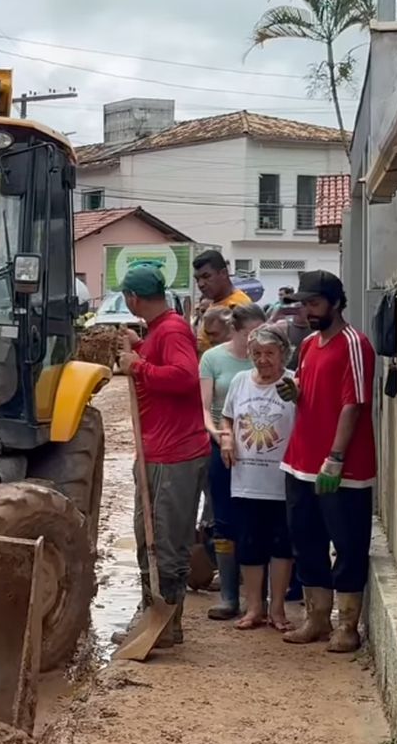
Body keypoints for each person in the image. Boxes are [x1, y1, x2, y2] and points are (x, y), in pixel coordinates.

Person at [277, 270, 376, 653]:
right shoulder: (308, 345)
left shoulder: (355, 344)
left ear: (335, 303)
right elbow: (305, 385)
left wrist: (335, 458)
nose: (307, 311)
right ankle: (316, 618)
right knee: (306, 540)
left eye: (314, 304)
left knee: (348, 543)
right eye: (304, 304)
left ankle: (347, 624)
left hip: (343, 468)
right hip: (300, 459)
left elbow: (353, 403)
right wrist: (295, 390)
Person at [116, 264, 212, 647]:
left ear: (132, 298)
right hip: (157, 451)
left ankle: (168, 624)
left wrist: (137, 365)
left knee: (166, 543)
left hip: (175, 455)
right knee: (147, 539)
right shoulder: (159, 330)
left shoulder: (172, 330)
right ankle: (154, 616)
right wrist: (138, 349)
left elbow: (185, 376)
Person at [219, 325, 298, 631]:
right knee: (249, 545)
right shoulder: (240, 381)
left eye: (269, 354)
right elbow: (226, 416)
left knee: (281, 545)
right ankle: (254, 608)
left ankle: (277, 609)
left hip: (282, 479)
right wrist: (226, 437)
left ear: (283, 354)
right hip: (246, 479)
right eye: (257, 354)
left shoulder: (292, 383)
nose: (263, 360)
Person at [198, 303, 266, 620]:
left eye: (262, 334)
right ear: (235, 331)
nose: (257, 342)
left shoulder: (269, 360)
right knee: (224, 521)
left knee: (259, 520)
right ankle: (228, 595)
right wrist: (222, 437)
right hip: (223, 448)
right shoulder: (213, 360)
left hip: (262, 449)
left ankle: (259, 597)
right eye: (251, 335)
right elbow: (206, 411)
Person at [191, 250, 253, 352]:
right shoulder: (215, 303)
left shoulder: (239, 306)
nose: (201, 284)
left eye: (206, 276)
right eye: (197, 279)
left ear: (223, 273)